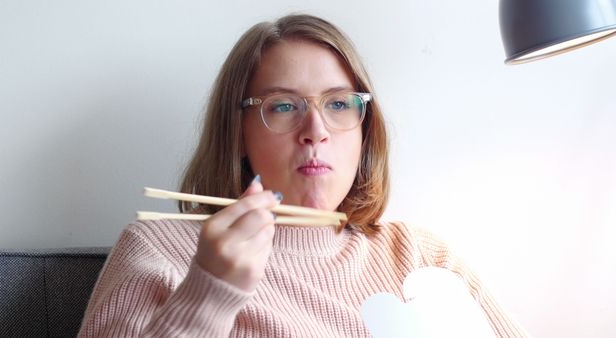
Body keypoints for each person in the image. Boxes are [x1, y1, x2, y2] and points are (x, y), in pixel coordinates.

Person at [78, 14, 528, 337]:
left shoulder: (421, 255)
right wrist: (208, 293)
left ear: (365, 128)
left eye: (337, 104)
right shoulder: (160, 252)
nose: (316, 131)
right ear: (237, 133)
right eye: (283, 106)